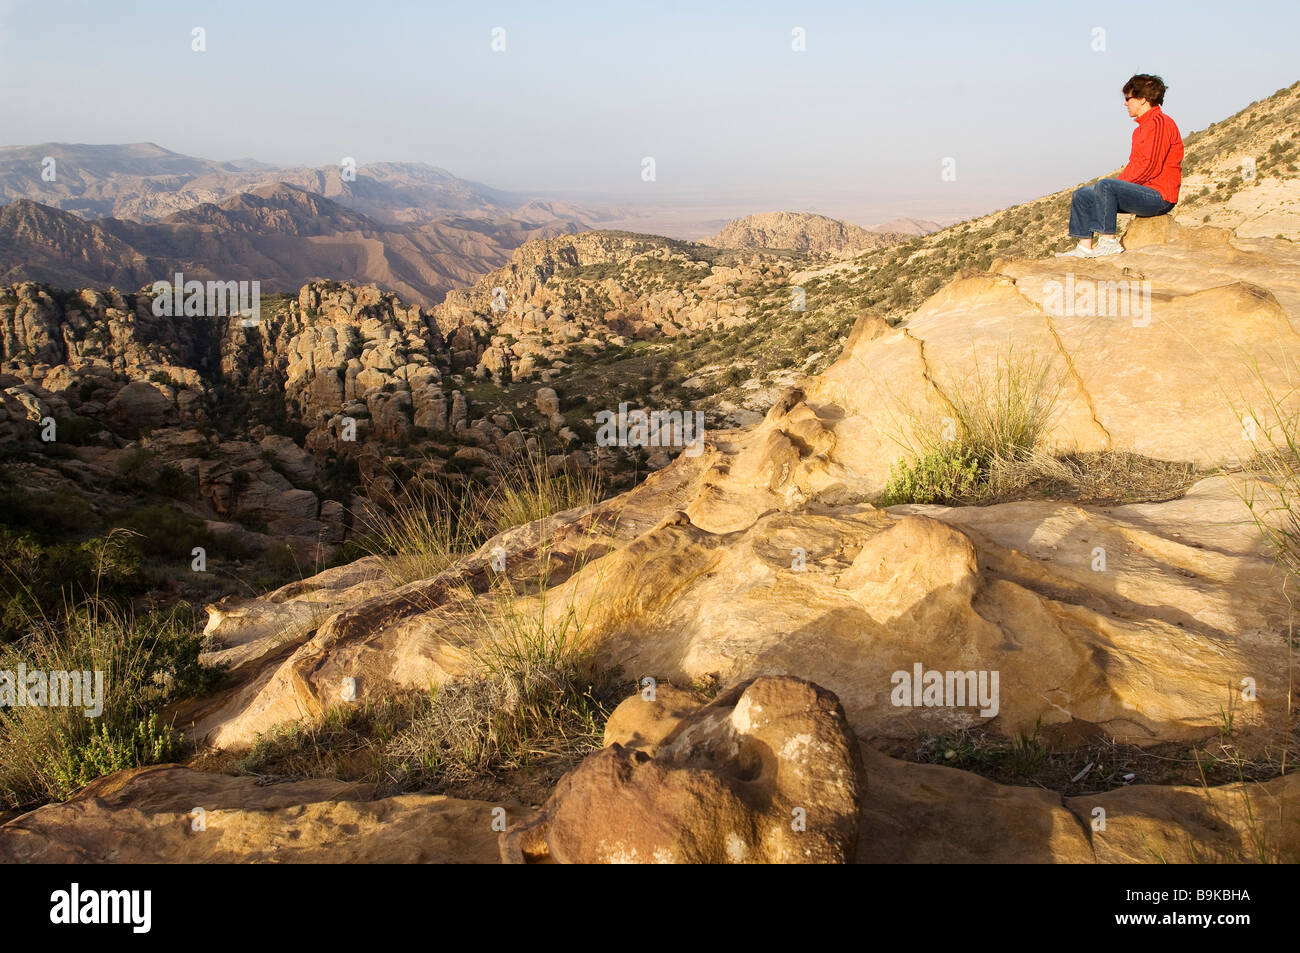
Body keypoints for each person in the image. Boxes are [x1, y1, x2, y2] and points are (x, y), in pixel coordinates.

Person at [1058, 74, 1184, 258]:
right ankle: (1084, 247)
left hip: (1160, 197)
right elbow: (1136, 165)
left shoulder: (1159, 123)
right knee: (1083, 194)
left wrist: (1113, 188)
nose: (1125, 104)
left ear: (1142, 100)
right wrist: (1112, 189)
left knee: (1105, 186)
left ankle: (1109, 242)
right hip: (1143, 192)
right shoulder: (1141, 129)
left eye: (1128, 98)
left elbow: (1150, 167)